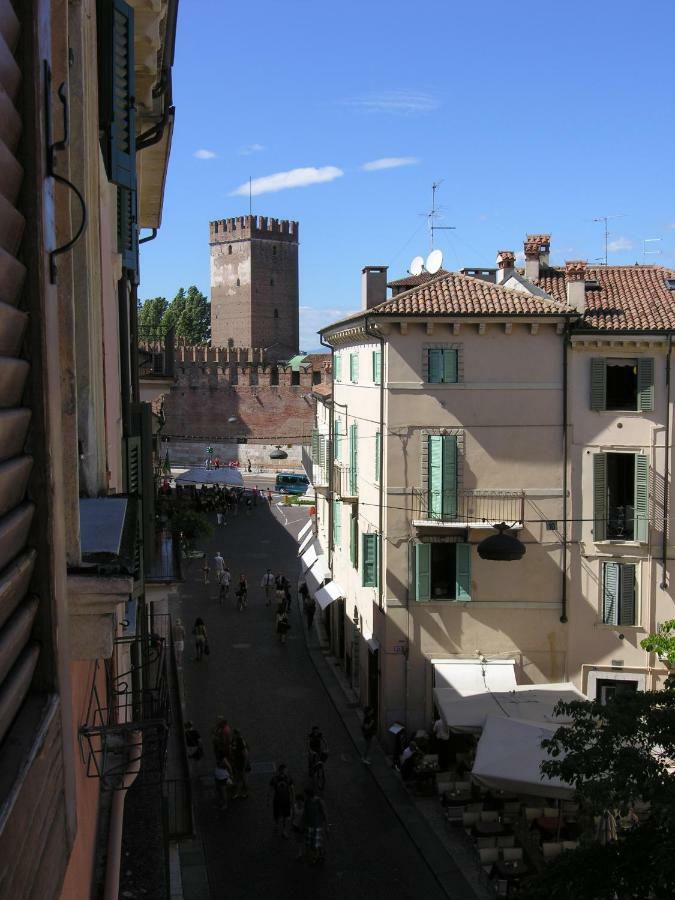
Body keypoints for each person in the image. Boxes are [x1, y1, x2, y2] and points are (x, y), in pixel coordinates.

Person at [302, 786, 328, 865]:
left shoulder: (318, 801)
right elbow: (305, 813)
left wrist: (327, 825)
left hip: (317, 826)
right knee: (311, 843)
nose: (305, 796)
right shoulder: (307, 801)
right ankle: (317, 856)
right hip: (309, 825)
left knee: (316, 844)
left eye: (305, 794)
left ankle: (316, 858)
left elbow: (324, 813)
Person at [269, 763, 294, 837]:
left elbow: (292, 790)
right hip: (279, 800)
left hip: (284, 800)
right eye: (284, 771)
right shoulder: (276, 779)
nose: (285, 773)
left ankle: (283, 829)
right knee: (279, 815)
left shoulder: (286, 778)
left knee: (285, 816)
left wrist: (293, 799)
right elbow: (270, 789)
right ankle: (279, 827)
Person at [230, 729, 250, 799]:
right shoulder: (234, 740)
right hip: (237, 763)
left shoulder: (241, 742)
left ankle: (245, 792)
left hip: (243, 765)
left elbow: (246, 755)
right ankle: (238, 792)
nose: (233, 735)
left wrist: (244, 768)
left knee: (243, 779)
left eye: (234, 734)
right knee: (238, 779)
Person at [291, 792, 305, 859]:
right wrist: (291, 824)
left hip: (302, 826)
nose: (299, 802)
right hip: (295, 825)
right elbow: (293, 815)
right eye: (298, 801)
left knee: (300, 839)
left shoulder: (305, 808)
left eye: (300, 801)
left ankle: (300, 852)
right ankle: (300, 851)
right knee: (297, 839)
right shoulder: (295, 806)